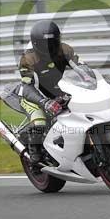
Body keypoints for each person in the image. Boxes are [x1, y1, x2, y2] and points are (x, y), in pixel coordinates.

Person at [16, 20, 80, 163]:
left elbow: (81, 68)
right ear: (36, 44)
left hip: (58, 92)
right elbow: (27, 87)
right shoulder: (28, 59)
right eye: (46, 45)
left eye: (53, 43)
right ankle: (34, 150)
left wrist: (96, 81)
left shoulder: (65, 50)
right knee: (40, 123)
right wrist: (44, 102)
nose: (50, 48)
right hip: (34, 96)